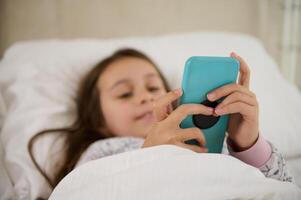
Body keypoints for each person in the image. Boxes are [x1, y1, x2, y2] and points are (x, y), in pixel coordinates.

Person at [28, 48, 294, 194]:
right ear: (98, 121)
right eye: (124, 93)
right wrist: (150, 155)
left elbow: (280, 189)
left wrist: (246, 143)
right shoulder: (103, 151)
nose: (144, 97)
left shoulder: (214, 143)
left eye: (153, 88)